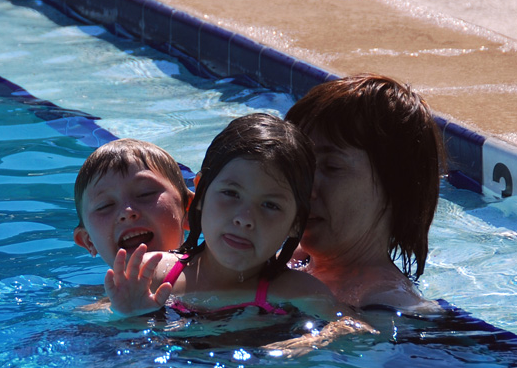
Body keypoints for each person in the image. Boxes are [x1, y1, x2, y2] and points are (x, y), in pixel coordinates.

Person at [104, 113, 346, 323]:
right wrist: (128, 315)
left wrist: (300, 349)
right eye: (231, 193)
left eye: (270, 205)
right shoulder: (152, 274)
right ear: (200, 195)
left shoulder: (299, 292)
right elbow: (93, 321)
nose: (245, 218)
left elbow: (351, 332)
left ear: (295, 223)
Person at [284, 74, 445, 312]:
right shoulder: (297, 258)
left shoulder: (385, 303)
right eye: (302, 163)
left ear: (395, 189)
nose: (306, 187)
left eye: (332, 167)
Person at [73, 138, 190, 261]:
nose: (127, 212)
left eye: (145, 194)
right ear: (88, 240)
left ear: (189, 211)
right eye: (105, 206)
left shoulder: (209, 275)